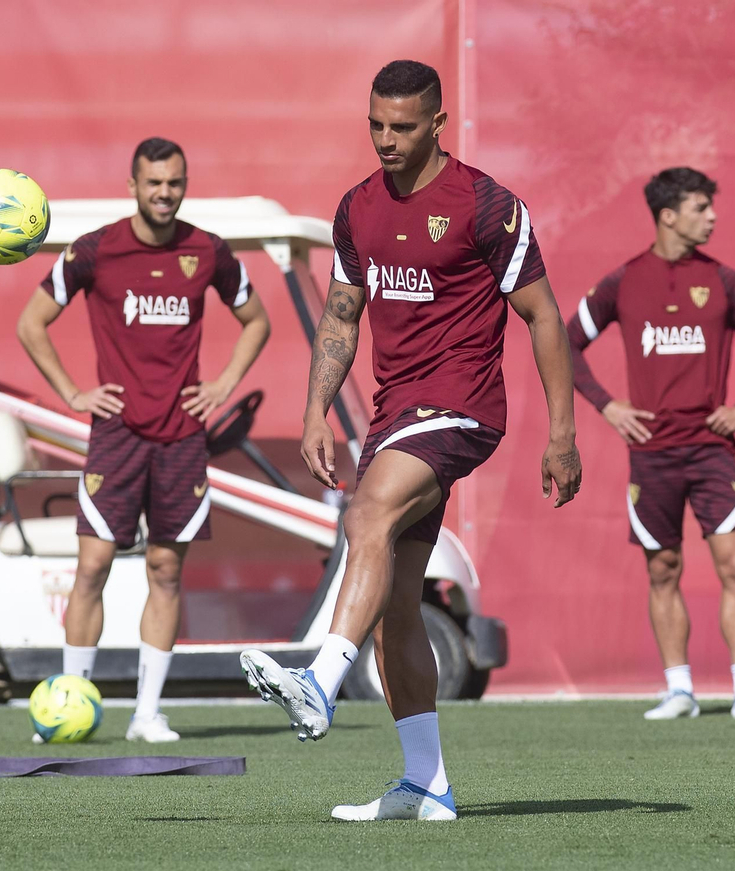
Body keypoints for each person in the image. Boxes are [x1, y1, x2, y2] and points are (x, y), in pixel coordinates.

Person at [239, 60, 581, 821]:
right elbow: (340, 313)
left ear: (437, 124)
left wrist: (562, 434)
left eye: (401, 127)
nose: (386, 140)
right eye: (375, 125)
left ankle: (319, 682)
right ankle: (427, 784)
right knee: (397, 606)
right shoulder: (356, 208)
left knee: (366, 513)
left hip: (462, 407)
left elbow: (545, 318)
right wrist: (313, 412)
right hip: (396, 415)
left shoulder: (486, 205)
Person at [17, 137, 271, 743]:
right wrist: (74, 393)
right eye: (154, 182)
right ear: (132, 185)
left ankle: (146, 714)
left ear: (185, 185)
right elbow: (31, 323)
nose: (165, 193)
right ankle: (66, 706)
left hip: (182, 439)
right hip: (115, 438)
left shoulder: (207, 252)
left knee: (165, 570)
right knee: (92, 568)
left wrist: (225, 384)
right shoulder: (94, 250)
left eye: (175, 183)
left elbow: (257, 320)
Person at [567, 167, 735, 721]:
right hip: (652, 455)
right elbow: (564, 342)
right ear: (668, 215)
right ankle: (680, 690)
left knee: (734, 567)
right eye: (700, 207)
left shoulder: (726, 282)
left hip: (713, 453)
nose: (712, 216)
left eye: (710, 206)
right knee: (662, 567)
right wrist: (607, 405)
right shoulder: (623, 282)